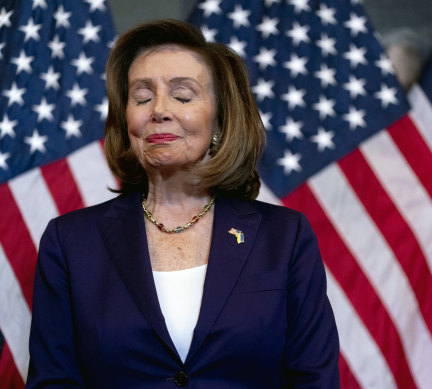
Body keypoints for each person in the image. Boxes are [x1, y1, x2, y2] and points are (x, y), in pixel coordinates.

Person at [26, 19, 340, 388]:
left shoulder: (285, 238)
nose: (159, 109)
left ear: (220, 119)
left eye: (182, 95)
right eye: (142, 97)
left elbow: (313, 379)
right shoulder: (70, 241)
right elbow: (53, 381)